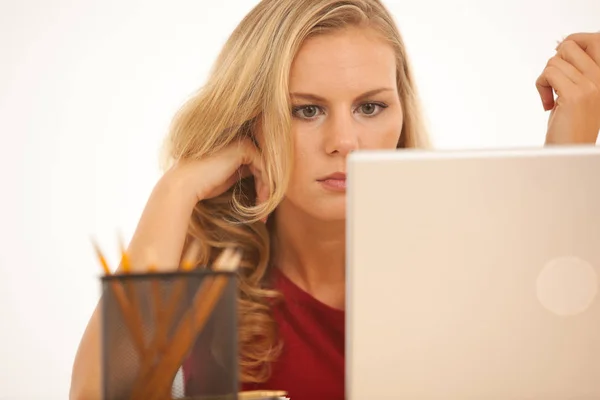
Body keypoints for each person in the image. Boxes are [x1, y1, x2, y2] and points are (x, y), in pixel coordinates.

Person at [69, 0, 600, 399]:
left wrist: (565, 158)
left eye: (370, 108)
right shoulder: (203, 273)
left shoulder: (461, 261)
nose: (343, 141)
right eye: (306, 110)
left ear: (400, 114)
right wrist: (175, 191)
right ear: (250, 120)